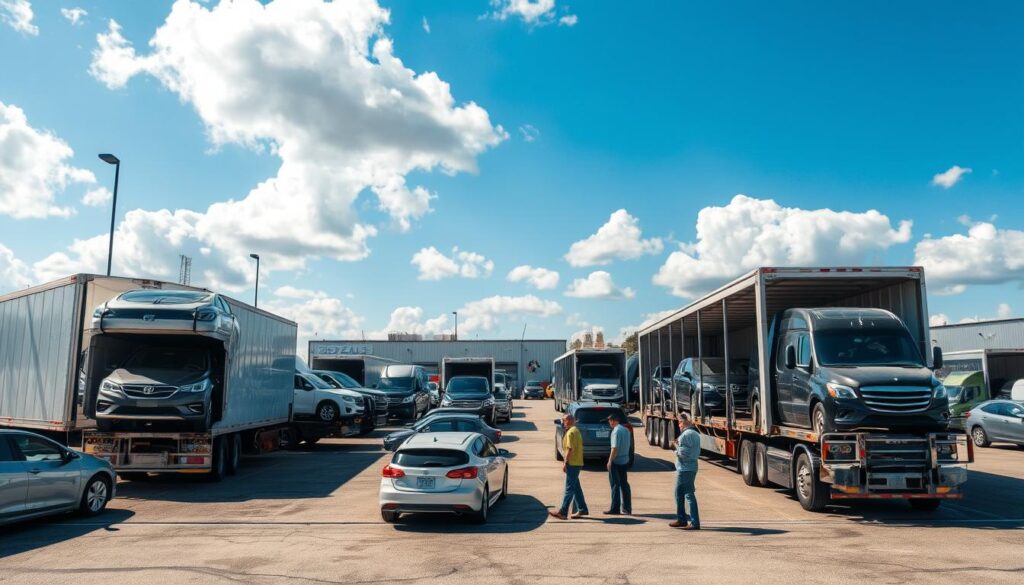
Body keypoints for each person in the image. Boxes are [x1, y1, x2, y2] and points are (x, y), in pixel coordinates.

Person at [549, 413, 588, 520]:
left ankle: (563, 511)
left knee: (569, 488)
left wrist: (565, 463)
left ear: (569, 421)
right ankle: (582, 509)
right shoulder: (576, 430)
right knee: (576, 488)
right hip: (577, 462)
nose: (563, 422)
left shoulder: (571, 432)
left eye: (564, 420)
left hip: (573, 463)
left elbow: (570, 449)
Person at [670, 413, 700, 529]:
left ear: (686, 422)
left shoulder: (686, 435)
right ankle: (682, 518)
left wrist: (676, 448)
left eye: (680, 422)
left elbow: (683, 453)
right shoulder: (695, 433)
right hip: (691, 467)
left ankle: (693, 522)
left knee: (687, 494)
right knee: (680, 493)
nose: (679, 425)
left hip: (685, 469)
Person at [604, 414, 632, 515]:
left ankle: (615, 508)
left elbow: (614, 448)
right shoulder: (626, 430)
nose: (609, 423)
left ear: (612, 421)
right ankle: (627, 508)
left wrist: (610, 461)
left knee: (615, 485)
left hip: (616, 461)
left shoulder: (615, 431)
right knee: (624, 484)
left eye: (609, 421)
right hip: (625, 459)